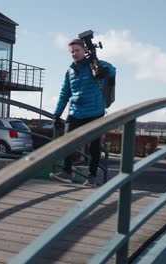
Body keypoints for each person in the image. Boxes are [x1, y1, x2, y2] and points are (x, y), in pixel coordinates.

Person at [50, 38, 116, 187]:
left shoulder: (96, 64)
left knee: (94, 147)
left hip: (95, 112)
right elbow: (64, 94)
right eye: (71, 51)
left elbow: (113, 70)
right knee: (67, 141)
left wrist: (104, 70)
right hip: (75, 112)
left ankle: (92, 177)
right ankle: (67, 172)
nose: (74, 54)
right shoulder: (70, 71)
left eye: (77, 50)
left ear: (84, 50)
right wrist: (56, 114)